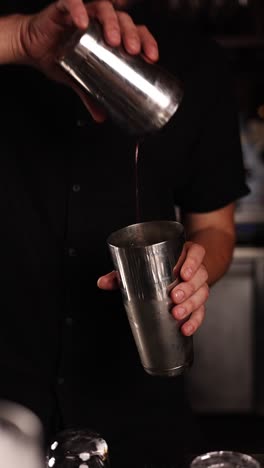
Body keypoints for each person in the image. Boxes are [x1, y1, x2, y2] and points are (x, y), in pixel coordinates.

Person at [0, 0, 249, 466]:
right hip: (7, 410)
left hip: (137, 408)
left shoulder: (197, 60)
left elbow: (214, 228)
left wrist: (196, 271)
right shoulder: (17, 35)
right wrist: (17, 39)